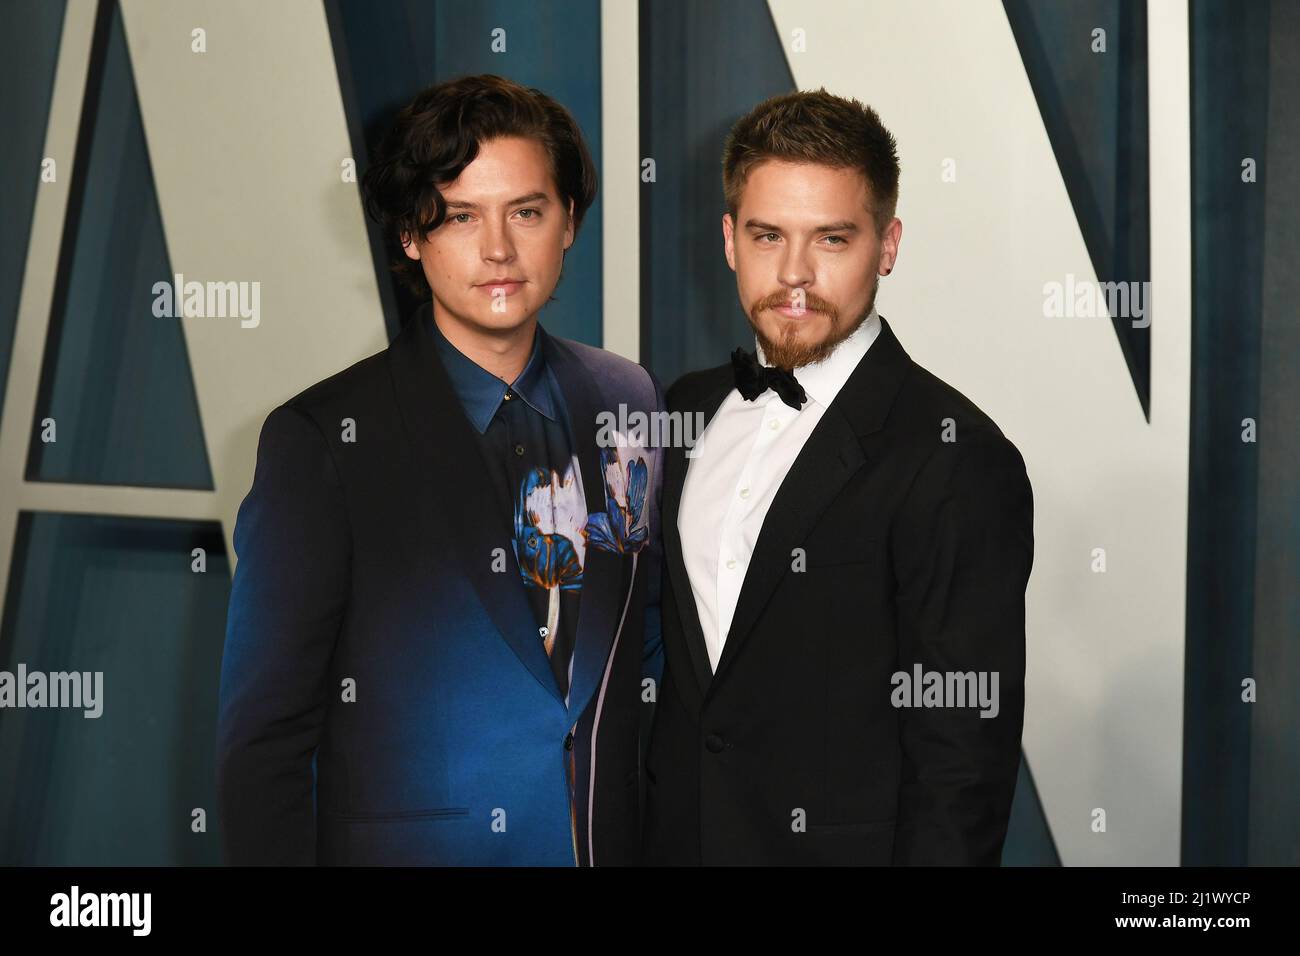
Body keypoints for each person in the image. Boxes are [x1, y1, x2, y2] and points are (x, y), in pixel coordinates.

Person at [217, 74, 663, 866]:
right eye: (460, 217)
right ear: (410, 237)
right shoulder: (321, 441)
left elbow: (646, 664)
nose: (499, 250)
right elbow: (266, 740)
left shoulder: (627, 400)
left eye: (526, 212)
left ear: (568, 223)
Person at [642, 88, 1034, 865]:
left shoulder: (957, 456)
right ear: (728, 240)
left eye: (831, 239)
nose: (794, 274)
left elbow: (961, 765)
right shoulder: (679, 411)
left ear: (887, 246)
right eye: (766, 236)